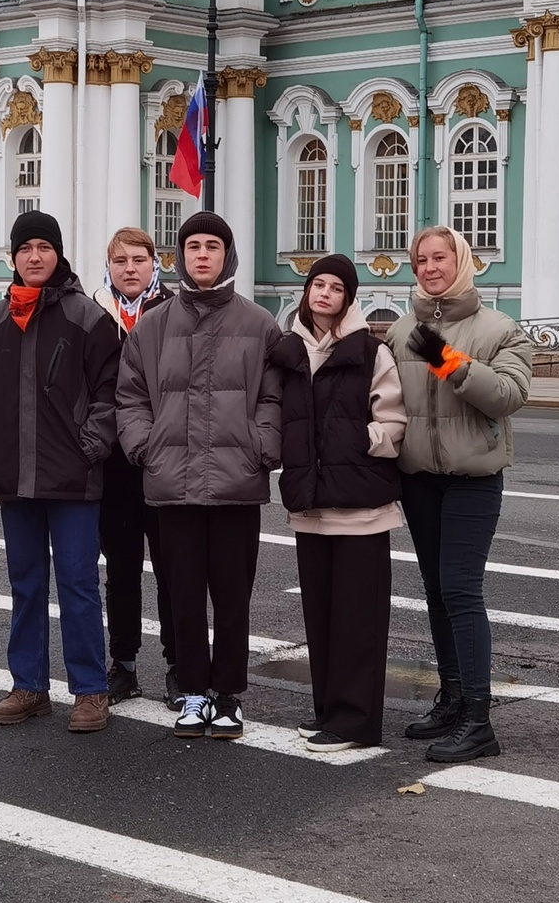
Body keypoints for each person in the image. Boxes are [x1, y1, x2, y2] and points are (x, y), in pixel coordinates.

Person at [115, 210, 282, 739]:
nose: (202, 255)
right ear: (180, 256)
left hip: (236, 484)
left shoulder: (258, 324)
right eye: (193, 247)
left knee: (233, 595)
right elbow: (131, 397)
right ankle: (191, 691)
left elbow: (274, 398)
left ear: (227, 255)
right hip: (173, 483)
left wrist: (263, 446)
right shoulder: (154, 326)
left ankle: (228, 695)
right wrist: (146, 448)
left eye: (212, 246)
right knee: (182, 593)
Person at [0, 210, 121, 733]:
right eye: (25, 249)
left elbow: (110, 392)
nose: (34, 257)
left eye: (43, 248)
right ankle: (28, 686)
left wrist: (90, 447)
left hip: (73, 479)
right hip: (15, 477)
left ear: (58, 254)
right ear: (13, 257)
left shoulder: (87, 318)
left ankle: (90, 691)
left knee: (77, 584)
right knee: (25, 584)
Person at [388, 223, 536, 763]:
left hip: (473, 480)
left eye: (439, 258)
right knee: (435, 591)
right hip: (418, 479)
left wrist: (447, 359)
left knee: (461, 590)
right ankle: (451, 697)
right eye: (421, 260)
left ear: (462, 262)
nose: (429, 268)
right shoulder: (402, 329)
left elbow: (508, 396)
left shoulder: (498, 328)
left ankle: (478, 719)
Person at [273, 254, 405, 753]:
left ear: (349, 298)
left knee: (358, 621)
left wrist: (357, 443)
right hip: (311, 506)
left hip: (362, 507)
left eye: (335, 287)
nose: (324, 293)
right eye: (317, 284)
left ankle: (357, 723)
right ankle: (329, 711)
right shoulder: (289, 352)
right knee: (322, 617)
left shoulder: (371, 352)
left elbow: (393, 420)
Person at [91, 226, 170, 704]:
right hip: (113, 466)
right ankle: (123, 665)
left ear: (154, 263)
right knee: (120, 570)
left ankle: (179, 666)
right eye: (120, 261)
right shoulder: (96, 314)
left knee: (172, 570)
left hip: (164, 461)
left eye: (139, 260)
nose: (130, 269)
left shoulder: (173, 311)